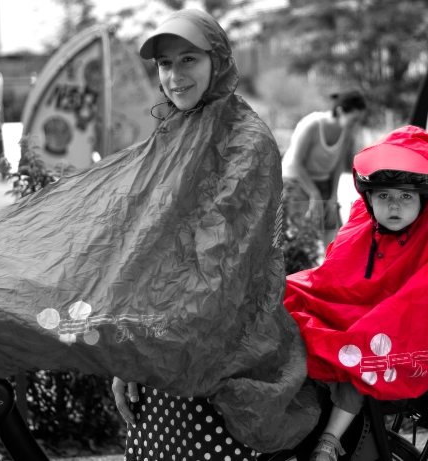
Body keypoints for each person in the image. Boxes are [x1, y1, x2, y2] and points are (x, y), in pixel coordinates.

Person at [110, 9, 318, 461]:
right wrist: (131, 356)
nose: (174, 76)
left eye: (188, 59)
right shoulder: (173, 132)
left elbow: (220, 259)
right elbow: (148, 246)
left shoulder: (247, 139)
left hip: (223, 349)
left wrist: (152, 345)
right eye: (165, 64)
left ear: (218, 59)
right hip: (163, 345)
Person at [283, 126, 428, 461]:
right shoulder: (360, 229)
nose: (394, 205)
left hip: (397, 332)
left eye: (405, 196)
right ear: (369, 199)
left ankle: (329, 441)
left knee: (361, 357)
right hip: (359, 318)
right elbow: (332, 280)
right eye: (384, 196)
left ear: (424, 199)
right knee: (284, 301)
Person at [281, 91, 367, 245]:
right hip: (296, 180)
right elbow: (296, 162)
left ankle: (330, 268)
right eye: (354, 120)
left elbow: (338, 165)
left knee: (334, 230)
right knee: (303, 233)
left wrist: (333, 197)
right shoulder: (312, 125)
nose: (356, 125)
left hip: (323, 180)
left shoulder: (346, 132)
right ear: (340, 111)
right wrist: (314, 195)